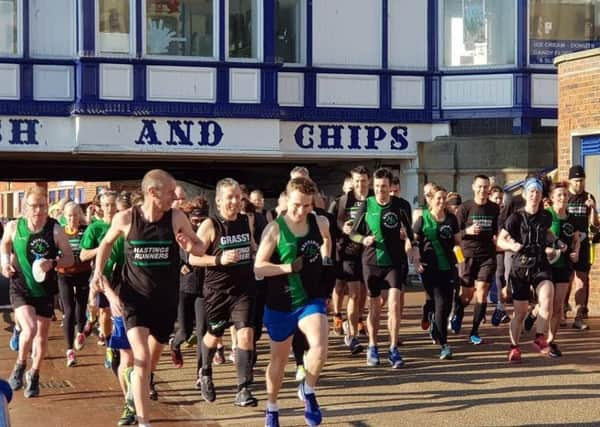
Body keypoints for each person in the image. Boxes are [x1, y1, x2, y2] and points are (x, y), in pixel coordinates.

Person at [91, 169, 206, 427]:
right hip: (134, 299)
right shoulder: (125, 218)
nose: (174, 197)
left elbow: (200, 246)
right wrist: (98, 271)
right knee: (140, 358)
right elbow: (107, 243)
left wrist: (189, 246)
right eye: (170, 192)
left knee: (148, 367)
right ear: (153, 193)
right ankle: (144, 422)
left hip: (165, 302)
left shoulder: (176, 217)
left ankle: (135, 388)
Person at [255, 176, 332, 427]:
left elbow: (327, 240)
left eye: (307, 205)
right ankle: (272, 407)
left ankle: (308, 390)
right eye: (297, 205)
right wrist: (287, 267)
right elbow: (259, 267)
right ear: (287, 200)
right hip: (281, 303)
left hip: (310, 299)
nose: (301, 210)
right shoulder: (275, 229)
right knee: (279, 360)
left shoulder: (319, 222)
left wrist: (326, 260)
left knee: (320, 346)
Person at [189, 178, 258, 407]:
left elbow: (252, 245)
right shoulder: (210, 225)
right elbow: (193, 258)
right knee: (214, 335)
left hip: (243, 289)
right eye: (230, 197)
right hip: (217, 291)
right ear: (218, 201)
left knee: (246, 333)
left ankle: (243, 389)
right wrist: (219, 259)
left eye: (238, 196)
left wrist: (258, 252)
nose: (235, 201)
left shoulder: (245, 220)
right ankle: (205, 371)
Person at [2, 186, 74, 397]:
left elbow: (69, 258)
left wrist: (52, 263)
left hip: (44, 289)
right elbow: (4, 245)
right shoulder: (15, 227)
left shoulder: (55, 229)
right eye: (34, 206)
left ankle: (34, 374)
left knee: (41, 338)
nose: (39, 210)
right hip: (20, 286)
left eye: (43, 205)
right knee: (30, 328)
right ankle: (20, 364)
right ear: (25, 207)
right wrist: (5, 262)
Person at [350, 168, 413, 368]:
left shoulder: (401, 206)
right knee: (374, 306)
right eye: (376, 187)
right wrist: (364, 238)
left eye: (384, 186)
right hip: (371, 263)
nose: (380, 190)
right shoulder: (366, 205)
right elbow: (353, 233)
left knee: (394, 304)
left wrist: (411, 243)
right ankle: (372, 346)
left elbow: (410, 232)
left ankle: (394, 348)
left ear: (390, 187)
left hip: (394, 262)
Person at [497, 178, 557, 362]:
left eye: (537, 192)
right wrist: (512, 246)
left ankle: (539, 337)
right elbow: (500, 241)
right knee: (521, 312)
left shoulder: (546, 216)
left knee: (547, 297)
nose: (534, 195)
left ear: (541, 195)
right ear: (525, 194)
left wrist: (556, 242)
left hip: (540, 265)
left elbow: (546, 232)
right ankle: (514, 347)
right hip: (520, 268)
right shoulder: (515, 218)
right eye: (531, 192)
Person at [413, 185, 462, 359]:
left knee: (446, 305)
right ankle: (444, 345)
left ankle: (434, 322)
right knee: (438, 302)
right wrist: (416, 258)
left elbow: (457, 242)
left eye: (443, 198)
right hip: (429, 267)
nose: (441, 202)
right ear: (431, 200)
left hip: (448, 266)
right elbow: (414, 242)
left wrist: (460, 260)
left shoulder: (451, 219)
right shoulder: (423, 219)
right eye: (438, 199)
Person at [452, 175, 500, 345]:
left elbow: (498, 231)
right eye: (480, 187)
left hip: (487, 256)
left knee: (482, 292)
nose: (483, 190)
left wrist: (499, 241)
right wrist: (468, 231)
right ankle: (458, 310)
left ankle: (474, 331)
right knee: (466, 296)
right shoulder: (465, 208)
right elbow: (455, 234)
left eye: (486, 187)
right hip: (467, 256)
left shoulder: (494, 208)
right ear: (473, 187)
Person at [332, 166, 370, 354]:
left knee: (364, 294)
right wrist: (343, 228)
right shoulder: (345, 200)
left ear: (368, 181)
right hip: (349, 251)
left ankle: (356, 320)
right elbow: (337, 221)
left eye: (363, 181)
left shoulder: (373, 199)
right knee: (354, 293)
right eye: (357, 181)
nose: (360, 185)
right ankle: (351, 335)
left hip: (369, 252)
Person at [546, 182, 580, 357]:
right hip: (546, 266)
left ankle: (550, 342)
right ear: (552, 198)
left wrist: (576, 252)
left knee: (558, 307)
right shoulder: (546, 215)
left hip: (564, 266)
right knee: (546, 304)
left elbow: (576, 239)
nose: (562, 198)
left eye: (565, 195)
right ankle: (533, 313)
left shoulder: (571, 218)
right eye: (559, 194)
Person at [56, 201, 92, 367]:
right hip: (64, 274)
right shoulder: (60, 232)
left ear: (80, 215)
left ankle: (81, 332)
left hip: (83, 273)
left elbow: (93, 248)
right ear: (64, 216)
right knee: (69, 311)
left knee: (81, 308)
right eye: (69, 215)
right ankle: (69, 351)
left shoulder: (86, 231)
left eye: (76, 215)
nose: (73, 219)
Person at [567, 165, 598, 330]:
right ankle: (562, 310)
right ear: (570, 181)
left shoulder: (589, 196)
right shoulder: (565, 197)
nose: (579, 184)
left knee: (581, 279)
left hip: (584, 243)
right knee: (566, 280)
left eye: (582, 181)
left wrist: (593, 208)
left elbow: (594, 225)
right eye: (576, 181)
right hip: (567, 244)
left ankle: (578, 317)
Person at [488, 186, 510, 326]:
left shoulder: (505, 213)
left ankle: (500, 308)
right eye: (495, 198)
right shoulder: (487, 212)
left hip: (501, 250)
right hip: (488, 249)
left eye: (500, 198)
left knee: (501, 277)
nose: (498, 201)